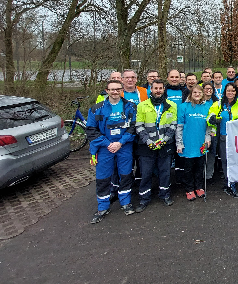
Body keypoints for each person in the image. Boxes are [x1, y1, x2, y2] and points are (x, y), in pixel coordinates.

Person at [86, 80, 137, 223]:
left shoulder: (130, 107)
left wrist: (120, 142)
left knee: (126, 174)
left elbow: (133, 127)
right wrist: (108, 143)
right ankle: (103, 206)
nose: (115, 92)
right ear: (106, 90)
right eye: (112, 89)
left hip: (124, 146)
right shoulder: (97, 108)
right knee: (103, 177)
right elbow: (91, 129)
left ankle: (125, 203)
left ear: (122, 90)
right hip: (105, 148)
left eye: (117, 89)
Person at [135, 79, 177, 212]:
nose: (158, 90)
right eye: (155, 88)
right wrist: (149, 141)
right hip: (147, 145)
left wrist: (164, 140)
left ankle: (164, 195)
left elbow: (173, 125)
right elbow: (139, 126)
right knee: (146, 173)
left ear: (164, 89)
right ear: (151, 90)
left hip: (165, 144)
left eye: (160, 88)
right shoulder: (142, 105)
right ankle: (144, 199)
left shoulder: (172, 105)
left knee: (165, 172)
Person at [207, 83, 238, 198]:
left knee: (235, 160)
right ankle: (229, 183)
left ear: (236, 92)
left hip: (236, 137)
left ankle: (233, 180)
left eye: (233, 91)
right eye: (228, 91)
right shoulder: (217, 104)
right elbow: (209, 118)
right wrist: (213, 119)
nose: (230, 93)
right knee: (225, 160)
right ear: (225, 92)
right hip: (222, 137)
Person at [176, 84, 214, 201]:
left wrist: (208, 139)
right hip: (188, 143)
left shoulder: (207, 107)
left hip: (201, 143)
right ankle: (189, 189)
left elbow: (209, 127)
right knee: (188, 169)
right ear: (191, 94)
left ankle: (199, 187)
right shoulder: (183, 107)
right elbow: (179, 127)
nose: (197, 95)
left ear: (203, 94)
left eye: (199, 93)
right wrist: (179, 143)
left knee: (199, 167)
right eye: (195, 93)